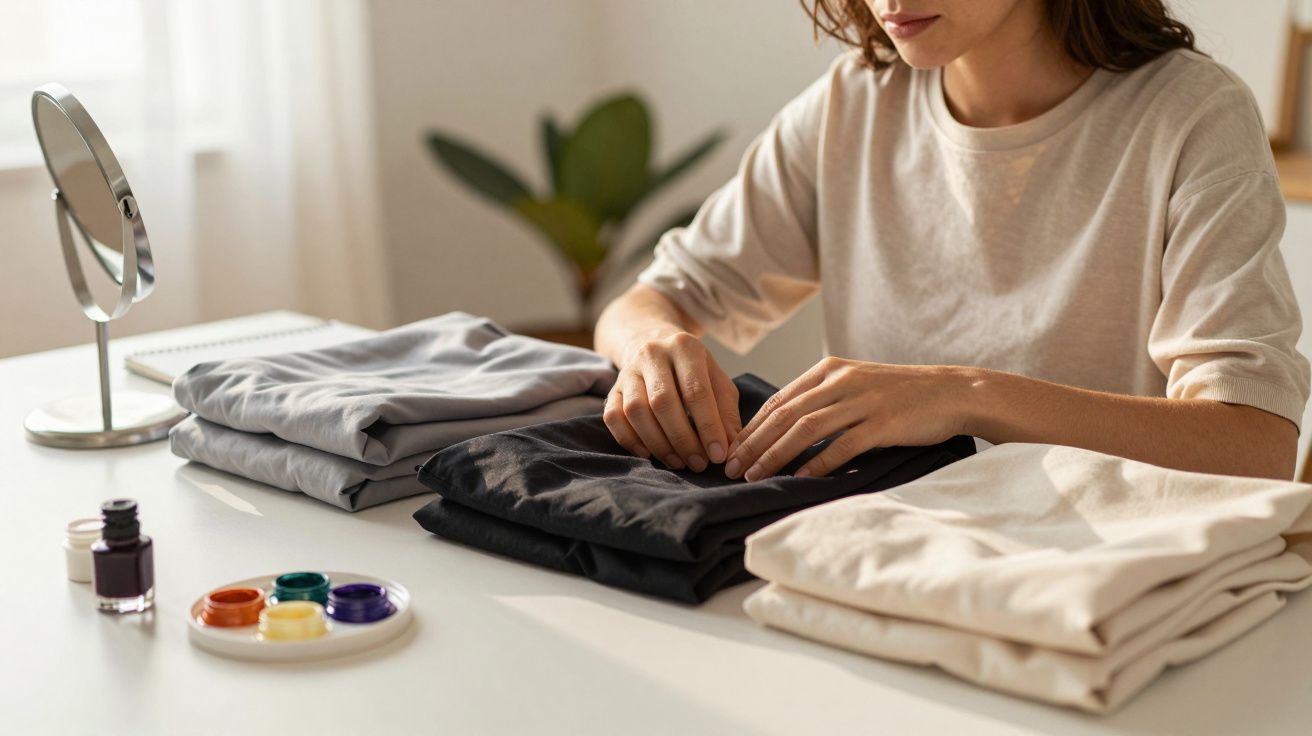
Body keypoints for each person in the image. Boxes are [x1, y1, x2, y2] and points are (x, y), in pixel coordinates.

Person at [593, 0, 1310, 481]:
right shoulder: (851, 106)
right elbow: (649, 303)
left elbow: (1255, 444)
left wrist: (965, 394)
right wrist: (653, 349)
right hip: (875, 567)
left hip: (1088, 599)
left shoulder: (1190, 118)